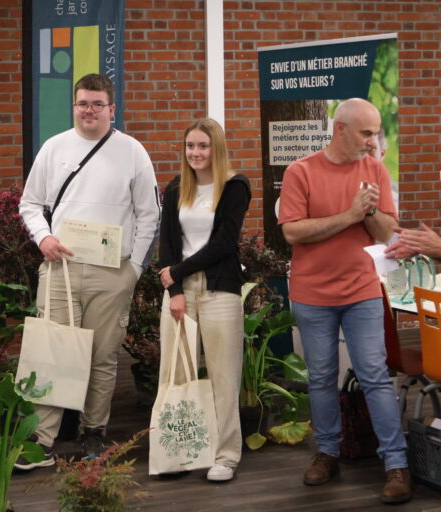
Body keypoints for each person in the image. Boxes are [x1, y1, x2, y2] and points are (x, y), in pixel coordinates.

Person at [17, 73, 160, 469]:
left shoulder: (132, 152)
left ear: (112, 109)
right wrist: (43, 238)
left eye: (98, 104)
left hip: (112, 273)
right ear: (74, 106)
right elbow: (30, 204)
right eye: (83, 103)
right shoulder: (54, 147)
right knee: (52, 352)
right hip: (60, 267)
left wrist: (134, 269)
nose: (89, 111)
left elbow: (150, 215)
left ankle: (94, 431)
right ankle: (41, 440)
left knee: (102, 357)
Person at [278, 98, 412, 504]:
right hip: (312, 294)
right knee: (320, 378)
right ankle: (328, 453)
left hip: (362, 291)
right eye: (366, 133)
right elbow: (293, 232)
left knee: (375, 375)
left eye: (375, 133)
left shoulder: (375, 170)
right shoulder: (300, 171)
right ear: (340, 129)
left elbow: (387, 233)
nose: (373, 142)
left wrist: (368, 212)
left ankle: (396, 464)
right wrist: (351, 215)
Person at [158, 118, 251, 482]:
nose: (195, 153)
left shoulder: (235, 186)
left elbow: (224, 243)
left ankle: (225, 455)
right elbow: (167, 242)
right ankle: (180, 452)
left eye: (203, 146)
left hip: (219, 290)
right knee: (176, 373)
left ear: (216, 149)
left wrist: (177, 272)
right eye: (190, 146)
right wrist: (175, 291)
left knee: (223, 376)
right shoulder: (175, 188)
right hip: (180, 291)